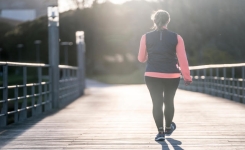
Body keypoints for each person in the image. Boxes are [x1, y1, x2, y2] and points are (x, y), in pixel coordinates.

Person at [138, 10, 192, 141]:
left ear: (154, 20)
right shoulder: (177, 37)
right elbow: (182, 59)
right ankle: (168, 128)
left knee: (157, 103)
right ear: (168, 20)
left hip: (152, 74)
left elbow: (141, 58)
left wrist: (148, 55)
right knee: (169, 101)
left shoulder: (146, 37)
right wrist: (187, 76)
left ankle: (160, 133)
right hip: (172, 75)